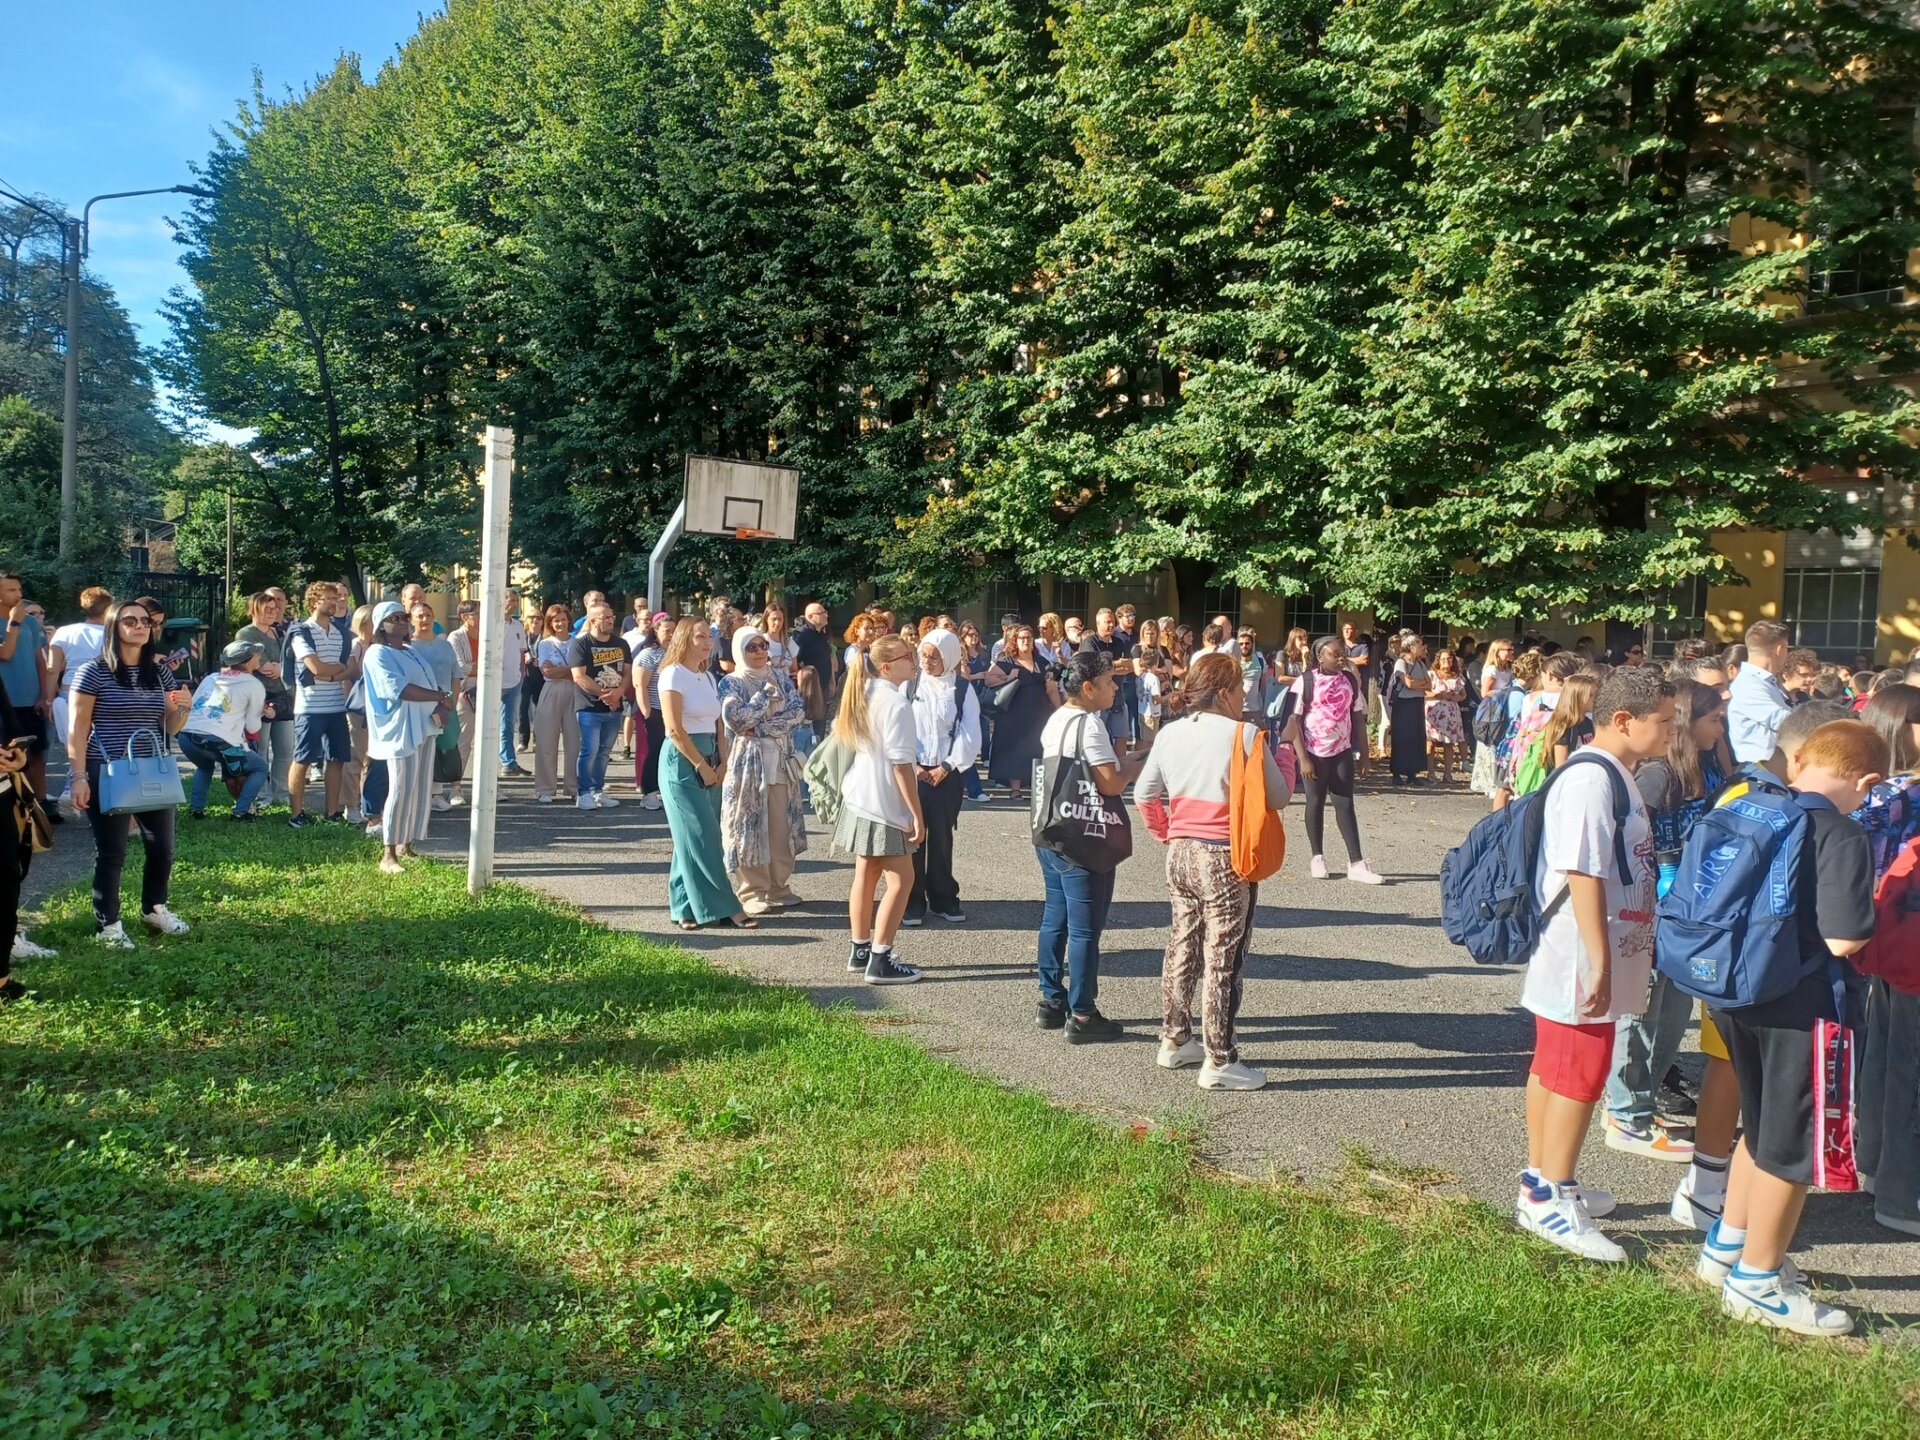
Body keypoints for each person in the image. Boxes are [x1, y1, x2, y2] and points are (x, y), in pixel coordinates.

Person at [1692, 720, 1884, 1335]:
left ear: (1799, 758)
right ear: (1868, 781)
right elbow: (1844, 934)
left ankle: (1729, 1246)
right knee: (1795, 1144)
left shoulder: (1754, 804)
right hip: (1805, 1007)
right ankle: (1758, 1280)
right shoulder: (1842, 832)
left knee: (1762, 1126)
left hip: (1737, 993)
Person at [1513, 666, 1673, 1264]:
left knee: (1561, 1063)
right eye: (1664, 720)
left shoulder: (1617, 773)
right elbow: (1582, 871)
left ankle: (1548, 1179)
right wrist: (1600, 961)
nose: (1672, 730)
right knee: (1577, 1068)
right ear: (1624, 720)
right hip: (1581, 949)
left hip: (1598, 946)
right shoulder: (1589, 779)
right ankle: (1547, 1196)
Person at [1138, 652, 1287, 1089]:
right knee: (1223, 956)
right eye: (1241, 689)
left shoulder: (1170, 732)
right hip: (1224, 854)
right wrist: (1289, 758)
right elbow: (1277, 797)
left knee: (1182, 943)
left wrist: (1168, 832)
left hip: (1180, 852)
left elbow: (1145, 794)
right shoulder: (1245, 735)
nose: (1245, 697)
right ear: (1223, 693)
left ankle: (1175, 1038)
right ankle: (1220, 1058)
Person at [1601, 679, 1727, 1164]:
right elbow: (1629, 841)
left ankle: (1643, 1101)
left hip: (1690, 913)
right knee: (1640, 1012)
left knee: (1671, 1014)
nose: (1721, 726)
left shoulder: (1709, 768)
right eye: (1713, 718)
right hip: (1655, 910)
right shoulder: (1658, 776)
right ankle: (1626, 1112)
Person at [1033, 650, 1152, 1039]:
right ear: (1088, 687)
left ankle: (1051, 1000)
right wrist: (1136, 764)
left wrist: (1124, 761)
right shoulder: (1090, 725)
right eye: (1108, 681)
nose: (1115, 687)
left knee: (1055, 917)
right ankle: (1083, 1015)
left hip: (1053, 831)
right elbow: (1110, 784)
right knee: (1085, 930)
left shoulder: (1057, 720)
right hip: (1085, 838)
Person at [67, 599, 195, 947]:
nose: (140, 626)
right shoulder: (93, 671)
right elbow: (78, 729)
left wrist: (183, 710)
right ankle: (108, 925)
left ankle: (154, 908)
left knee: (162, 848)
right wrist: (78, 777)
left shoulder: (160, 671)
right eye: (130, 621)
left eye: (145, 621)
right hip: (106, 768)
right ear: (114, 627)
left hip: (152, 766)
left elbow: (170, 725)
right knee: (112, 852)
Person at [1846, 685, 1920, 1237]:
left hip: (1885, 929)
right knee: (1907, 1068)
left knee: (1882, 1053)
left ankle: (1874, 1164)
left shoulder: (1877, 790)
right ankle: (1901, 1193)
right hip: (1902, 930)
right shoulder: (1902, 792)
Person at [834, 635, 924, 981]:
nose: (914, 660)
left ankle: (860, 950)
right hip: (884, 803)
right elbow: (901, 765)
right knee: (903, 880)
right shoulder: (896, 704)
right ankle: (880, 960)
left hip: (860, 796)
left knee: (866, 875)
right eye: (908, 656)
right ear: (887, 666)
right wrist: (916, 814)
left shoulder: (865, 691)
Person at [659, 619, 755, 930]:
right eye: (700, 637)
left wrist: (723, 762)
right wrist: (701, 765)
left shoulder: (708, 677)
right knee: (703, 836)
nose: (706, 643)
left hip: (712, 757)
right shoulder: (673, 674)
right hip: (682, 761)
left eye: (708, 637)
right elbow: (673, 729)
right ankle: (726, 906)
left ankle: (684, 907)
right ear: (684, 639)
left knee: (690, 838)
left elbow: (718, 726)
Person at [719, 627, 809, 914]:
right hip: (748, 765)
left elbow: (797, 712)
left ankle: (778, 887)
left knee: (781, 826)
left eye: (762, 646)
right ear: (739, 651)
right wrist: (762, 699)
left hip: (782, 761)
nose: (759, 652)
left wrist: (760, 727)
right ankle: (752, 891)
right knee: (749, 825)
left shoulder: (781, 677)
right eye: (752, 648)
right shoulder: (730, 683)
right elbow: (736, 719)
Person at [362, 600, 449, 872]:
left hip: (424, 723)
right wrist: (439, 697)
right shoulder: (377, 653)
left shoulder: (411, 651)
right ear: (381, 625)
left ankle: (407, 844)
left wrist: (441, 704)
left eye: (402, 617)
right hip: (399, 728)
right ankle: (388, 855)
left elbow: (430, 682)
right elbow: (398, 689)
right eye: (394, 618)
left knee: (420, 788)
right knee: (401, 788)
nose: (401, 622)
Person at [1288, 635, 1382, 884]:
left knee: (1345, 803)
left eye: (1342, 654)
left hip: (1342, 751)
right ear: (1320, 656)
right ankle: (1317, 857)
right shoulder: (1305, 682)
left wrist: (1364, 754)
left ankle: (1356, 862)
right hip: (1313, 752)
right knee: (1315, 802)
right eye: (1335, 654)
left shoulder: (1349, 680)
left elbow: (1358, 718)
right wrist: (1303, 759)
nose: (1341, 658)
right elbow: (1293, 722)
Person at [904, 628, 981, 927]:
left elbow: (970, 732)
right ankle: (912, 900)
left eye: (934, 656)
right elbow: (898, 727)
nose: (927, 661)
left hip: (946, 775)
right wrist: (914, 766)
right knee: (913, 837)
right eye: (923, 655)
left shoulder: (961, 688)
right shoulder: (910, 685)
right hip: (913, 772)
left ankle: (943, 897)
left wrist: (947, 767)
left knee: (941, 837)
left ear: (948, 656)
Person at [285, 581, 354, 827]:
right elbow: (313, 667)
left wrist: (330, 673)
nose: (335, 603)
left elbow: (351, 667)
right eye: (328, 599)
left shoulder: (342, 633)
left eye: (336, 599)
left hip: (336, 705)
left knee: (336, 759)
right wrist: (335, 670)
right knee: (302, 759)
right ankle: (296, 814)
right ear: (314, 602)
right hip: (310, 707)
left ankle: (332, 813)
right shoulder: (301, 631)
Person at [179, 640, 270, 820]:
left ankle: (196, 810)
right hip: (218, 739)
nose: (259, 657)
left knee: (204, 766)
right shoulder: (253, 684)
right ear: (247, 660)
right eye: (257, 654)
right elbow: (253, 726)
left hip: (187, 735)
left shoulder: (211, 677)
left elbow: (193, 705)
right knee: (260, 767)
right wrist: (261, 713)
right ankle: (241, 811)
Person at [45, 585, 114, 814]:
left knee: (75, 743)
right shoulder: (113, 633)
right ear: (109, 607)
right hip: (103, 694)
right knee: (103, 746)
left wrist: (48, 699)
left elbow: (52, 669)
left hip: (68, 692)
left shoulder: (65, 631)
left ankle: (72, 786)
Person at [1, 673, 53, 979]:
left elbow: (9, 727)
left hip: (4, 794)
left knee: (7, 883)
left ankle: (3, 980)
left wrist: (18, 758)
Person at [231, 590, 294, 805]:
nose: (272, 612)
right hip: (260, 696)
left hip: (283, 697)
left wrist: (282, 667)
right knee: (261, 748)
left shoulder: (279, 634)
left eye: (274, 609)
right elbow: (265, 667)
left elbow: (290, 662)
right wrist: (279, 668)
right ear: (254, 610)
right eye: (267, 609)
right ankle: (263, 795)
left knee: (285, 749)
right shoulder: (246, 635)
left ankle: (281, 794)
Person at [984, 623, 1058, 800]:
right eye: (1022, 638)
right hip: (1013, 715)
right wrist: (1008, 677)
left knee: (1037, 748)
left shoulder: (1043, 663)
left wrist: (1058, 709)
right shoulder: (1006, 661)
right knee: (1015, 751)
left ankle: (1037, 787)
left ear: (1033, 641)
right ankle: (1015, 789)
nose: (1026, 641)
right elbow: (989, 679)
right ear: (1015, 641)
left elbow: (1052, 688)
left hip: (1039, 714)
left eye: (1029, 638)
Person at [569, 602, 630, 810]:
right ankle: (583, 793)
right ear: (593, 620)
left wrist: (619, 693)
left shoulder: (621, 644)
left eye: (611, 616)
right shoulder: (581, 644)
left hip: (614, 708)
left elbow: (628, 672)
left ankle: (597, 790)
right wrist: (605, 694)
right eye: (605, 617)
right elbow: (578, 676)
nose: (611, 620)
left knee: (604, 751)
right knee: (589, 750)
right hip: (589, 707)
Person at [0, 572, 50, 805]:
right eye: (11, 590)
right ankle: (13, 804)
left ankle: (39, 804)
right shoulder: (18, 620)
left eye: (19, 589)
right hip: (4, 702)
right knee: (6, 756)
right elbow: (5, 654)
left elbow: (40, 660)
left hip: (29, 701)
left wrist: (44, 695)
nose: (18, 594)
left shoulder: (29, 622)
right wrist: (14, 622)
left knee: (36, 752)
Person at [407, 601, 459, 810]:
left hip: (445, 704)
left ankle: (436, 794)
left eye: (428, 615)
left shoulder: (445, 645)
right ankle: (418, 796)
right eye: (420, 616)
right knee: (423, 750)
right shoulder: (408, 647)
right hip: (421, 705)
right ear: (411, 620)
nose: (425, 620)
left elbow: (456, 674)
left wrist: (453, 700)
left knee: (443, 749)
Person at [530, 603, 580, 804]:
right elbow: (546, 672)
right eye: (555, 620)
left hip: (576, 691)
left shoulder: (578, 642)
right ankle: (545, 788)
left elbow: (582, 670)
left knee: (574, 741)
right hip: (551, 690)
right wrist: (571, 669)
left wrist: (567, 670)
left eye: (562, 619)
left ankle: (574, 787)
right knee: (546, 741)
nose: (559, 623)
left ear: (569, 620)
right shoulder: (545, 644)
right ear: (550, 623)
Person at [1727, 620, 1792, 764]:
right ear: (1779, 650)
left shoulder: (1765, 681)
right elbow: (1784, 720)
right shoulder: (1748, 684)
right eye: (1787, 648)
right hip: (1758, 773)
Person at [629, 612, 674, 810]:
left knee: (671, 752)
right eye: (667, 631)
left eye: (674, 630)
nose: (671, 634)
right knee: (654, 751)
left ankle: (665, 788)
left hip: (673, 710)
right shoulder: (648, 654)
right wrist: (648, 713)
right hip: (655, 710)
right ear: (655, 631)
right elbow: (640, 685)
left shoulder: (676, 653)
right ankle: (648, 792)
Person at [341, 605, 374, 822]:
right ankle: (349, 805)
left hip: (375, 708)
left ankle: (363, 802)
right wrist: (350, 704)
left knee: (370, 759)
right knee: (355, 757)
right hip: (359, 709)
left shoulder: (376, 645)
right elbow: (348, 677)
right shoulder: (356, 646)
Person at [1385, 632, 1432, 785]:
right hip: (1403, 705)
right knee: (1402, 738)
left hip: (1417, 703)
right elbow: (1408, 684)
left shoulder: (1420, 664)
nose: (1422, 648)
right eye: (1419, 644)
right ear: (1411, 646)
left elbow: (1429, 685)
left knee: (1416, 738)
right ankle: (1397, 772)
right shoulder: (1401, 663)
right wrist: (1419, 684)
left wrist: (1417, 684)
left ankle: (1413, 772)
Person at [447, 600, 480, 807]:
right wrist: (481, 666)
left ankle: (487, 785)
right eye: (476, 613)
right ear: (464, 616)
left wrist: (478, 667)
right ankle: (455, 786)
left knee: (489, 740)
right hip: (465, 693)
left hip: (488, 692)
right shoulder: (456, 637)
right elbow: (460, 668)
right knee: (463, 742)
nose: (480, 617)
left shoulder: (490, 635)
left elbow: (498, 662)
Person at [1425, 648, 1468, 782]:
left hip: (1451, 713)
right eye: (1443, 659)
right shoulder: (1431, 675)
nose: (1446, 661)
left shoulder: (1457, 676)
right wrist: (1440, 695)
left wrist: (1457, 698)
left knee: (1449, 744)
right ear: (1438, 660)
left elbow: (1463, 694)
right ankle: (1431, 773)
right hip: (1434, 712)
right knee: (1431, 742)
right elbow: (1425, 693)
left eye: (1449, 659)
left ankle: (1447, 774)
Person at [1130, 618, 1174, 738]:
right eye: (1147, 633)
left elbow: (1169, 672)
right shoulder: (1137, 649)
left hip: (1163, 693)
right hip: (1146, 696)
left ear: (1157, 634)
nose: (1150, 636)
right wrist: (1160, 670)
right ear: (1143, 634)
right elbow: (1138, 670)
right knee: (1146, 734)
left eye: (1152, 633)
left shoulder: (1163, 650)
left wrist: (1152, 670)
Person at [1234, 627, 1278, 728]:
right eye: (1241, 644)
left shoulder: (1260, 660)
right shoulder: (1233, 661)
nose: (1244, 646)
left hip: (1254, 709)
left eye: (1247, 643)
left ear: (1252, 644)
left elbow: (1263, 687)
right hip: (1236, 709)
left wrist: (1265, 707)